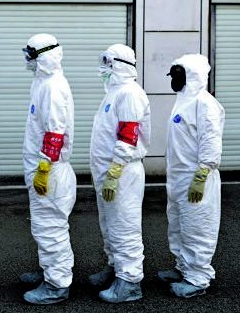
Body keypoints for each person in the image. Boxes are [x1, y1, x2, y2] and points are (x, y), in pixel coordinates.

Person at [88, 44, 151, 303]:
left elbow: (128, 136)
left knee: (124, 226)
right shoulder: (114, 93)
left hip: (122, 172)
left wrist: (114, 171)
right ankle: (115, 267)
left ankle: (130, 282)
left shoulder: (129, 93)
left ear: (119, 65)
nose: (103, 69)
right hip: (109, 171)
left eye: (108, 64)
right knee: (110, 224)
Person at [159, 53, 225, 298]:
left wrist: (202, 174)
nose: (174, 80)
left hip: (196, 176)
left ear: (192, 75)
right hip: (178, 176)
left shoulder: (204, 103)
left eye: (178, 75)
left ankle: (198, 277)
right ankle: (183, 267)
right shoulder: (184, 100)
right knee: (178, 225)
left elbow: (210, 141)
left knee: (197, 227)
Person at [19, 33, 77, 305]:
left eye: (31, 56)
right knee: (44, 227)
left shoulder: (52, 87)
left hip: (49, 171)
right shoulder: (42, 84)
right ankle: (49, 271)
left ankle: (57, 283)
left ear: (43, 56)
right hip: (44, 168)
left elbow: (56, 132)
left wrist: (44, 167)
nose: (27, 61)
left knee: (50, 228)